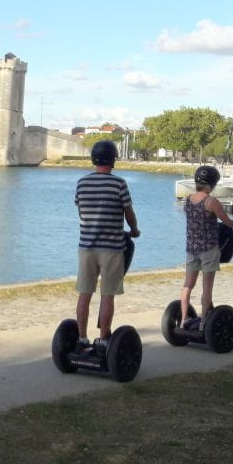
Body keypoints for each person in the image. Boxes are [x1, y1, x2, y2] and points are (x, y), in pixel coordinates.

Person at [74, 140, 141, 351]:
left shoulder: (81, 183)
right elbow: (128, 212)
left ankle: (82, 338)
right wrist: (135, 229)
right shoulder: (119, 183)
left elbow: (81, 212)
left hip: (86, 248)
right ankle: (103, 339)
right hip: (112, 248)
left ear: (94, 159)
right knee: (107, 295)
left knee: (85, 294)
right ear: (113, 160)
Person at [178, 165, 233, 330]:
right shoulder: (211, 202)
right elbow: (227, 222)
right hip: (209, 250)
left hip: (192, 249)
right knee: (207, 287)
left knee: (188, 285)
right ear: (212, 184)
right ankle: (203, 324)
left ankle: (184, 319)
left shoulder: (188, 200)